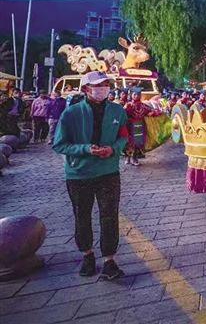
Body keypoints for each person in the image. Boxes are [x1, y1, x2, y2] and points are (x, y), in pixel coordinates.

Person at [52, 71, 128, 280]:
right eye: (99, 85)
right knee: (82, 216)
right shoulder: (71, 114)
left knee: (109, 216)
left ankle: (109, 260)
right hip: (79, 174)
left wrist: (114, 149)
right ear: (86, 88)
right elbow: (59, 144)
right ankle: (87, 255)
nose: (103, 88)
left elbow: (123, 136)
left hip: (108, 172)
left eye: (106, 84)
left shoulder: (117, 110)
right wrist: (86, 149)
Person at [124, 88, 152, 166]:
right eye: (134, 94)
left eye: (138, 95)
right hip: (130, 126)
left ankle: (135, 158)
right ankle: (127, 157)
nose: (136, 96)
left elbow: (149, 111)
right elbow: (123, 114)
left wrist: (154, 112)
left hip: (139, 125)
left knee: (137, 143)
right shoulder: (128, 105)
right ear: (131, 95)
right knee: (129, 142)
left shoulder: (143, 105)